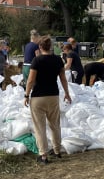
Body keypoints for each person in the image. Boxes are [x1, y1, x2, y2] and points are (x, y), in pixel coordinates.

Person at [24, 36, 72, 164]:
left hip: (38, 97)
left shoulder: (37, 61)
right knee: (55, 125)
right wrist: (67, 93)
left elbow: (30, 80)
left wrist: (26, 95)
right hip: (53, 96)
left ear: (40, 47)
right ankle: (57, 151)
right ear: (50, 46)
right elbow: (63, 79)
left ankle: (43, 155)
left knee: (40, 127)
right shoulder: (58, 60)